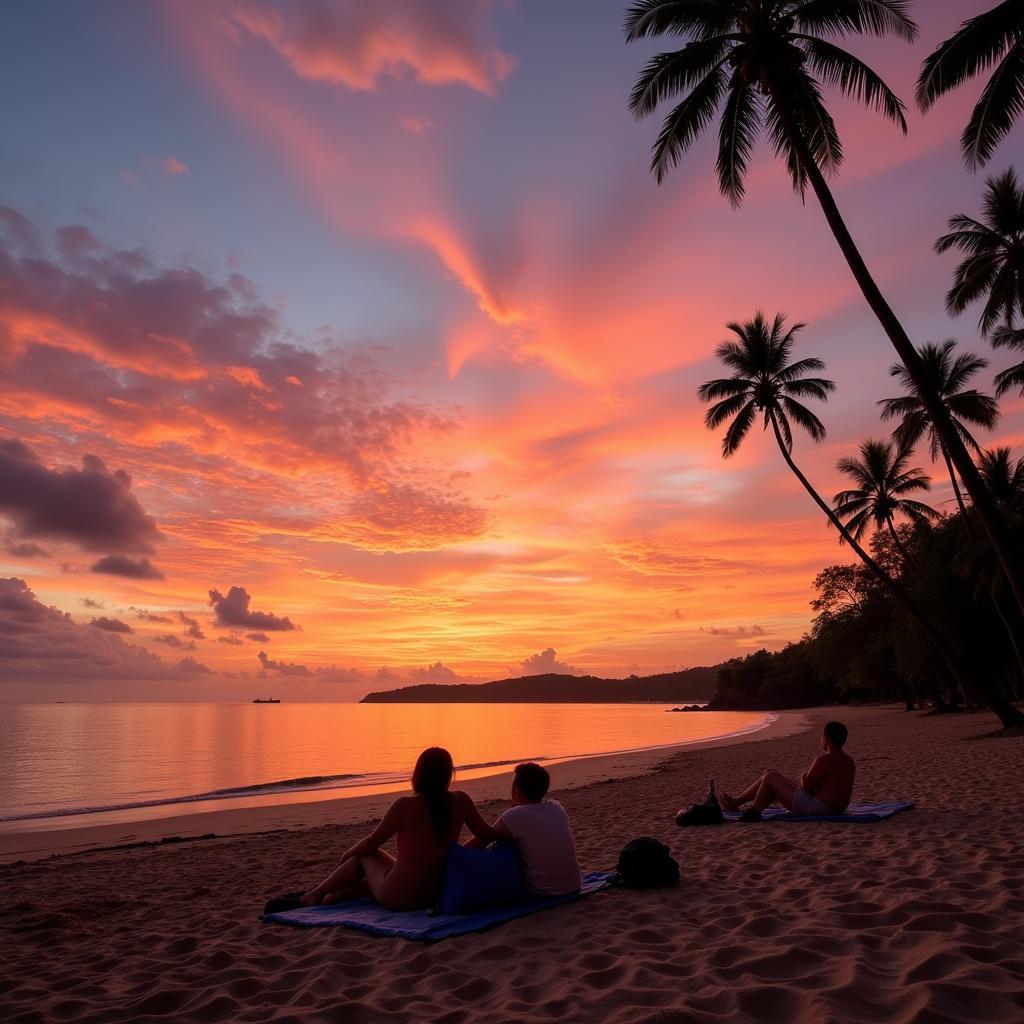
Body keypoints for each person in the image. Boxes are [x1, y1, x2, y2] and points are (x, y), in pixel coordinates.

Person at [301, 747, 500, 910]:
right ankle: (330, 898)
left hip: (399, 897)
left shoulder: (405, 805)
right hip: (435, 893)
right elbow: (488, 836)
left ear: (418, 774)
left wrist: (347, 853)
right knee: (367, 880)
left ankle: (314, 895)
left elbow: (371, 843)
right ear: (449, 774)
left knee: (363, 856)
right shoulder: (461, 801)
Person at [478, 762, 582, 896]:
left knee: (504, 845)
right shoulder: (556, 806)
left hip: (544, 892)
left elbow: (483, 840)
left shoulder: (515, 815)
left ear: (517, 790)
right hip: (574, 885)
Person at [721, 721, 855, 822]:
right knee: (771, 772)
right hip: (836, 808)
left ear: (826, 738)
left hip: (818, 808)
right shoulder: (849, 761)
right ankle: (737, 802)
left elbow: (807, 786)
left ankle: (754, 812)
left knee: (770, 777)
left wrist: (803, 775)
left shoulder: (823, 760)